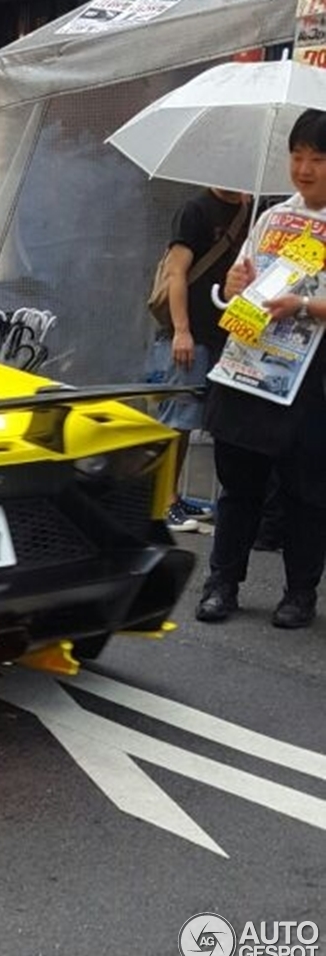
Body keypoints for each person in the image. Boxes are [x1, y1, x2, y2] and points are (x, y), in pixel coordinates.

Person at [195, 108, 326, 630]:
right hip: (250, 368)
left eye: (318, 158)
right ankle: (222, 583)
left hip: (311, 380)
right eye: (297, 155)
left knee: (304, 492)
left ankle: (300, 593)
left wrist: (305, 306)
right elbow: (239, 290)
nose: (304, 168)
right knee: (239, 484)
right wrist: (234, 284)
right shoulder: (270, 218)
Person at [155, 187, 250, 532]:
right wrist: (181, 330)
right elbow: (175, 271)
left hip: (230, 332)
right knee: (178, 418)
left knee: (221, 418)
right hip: (192, 332)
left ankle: (183, 499)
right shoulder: (195, 210)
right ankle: (165, 501)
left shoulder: (250, 212)